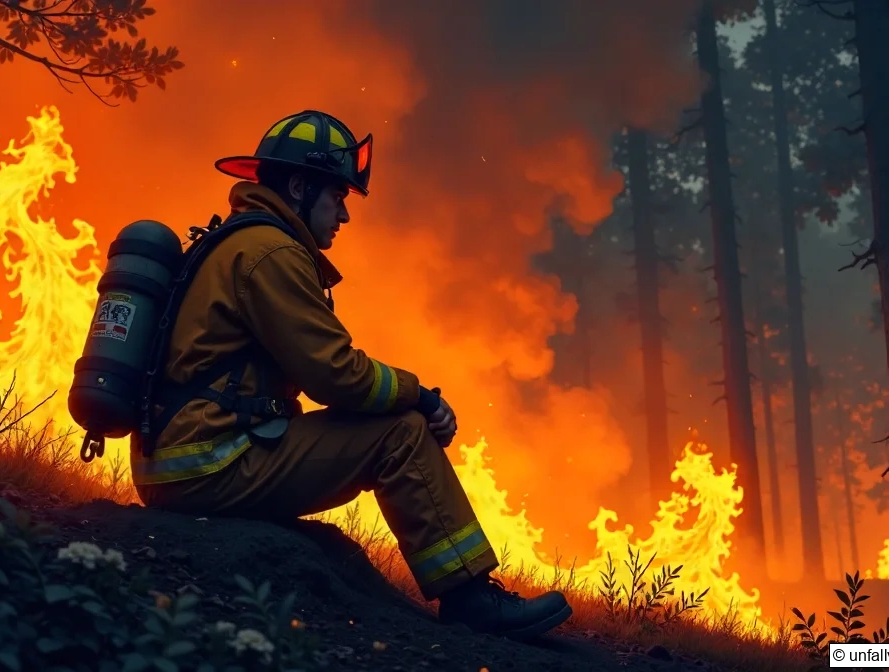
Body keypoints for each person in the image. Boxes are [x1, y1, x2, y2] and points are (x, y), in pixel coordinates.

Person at [130, 110, 572, 638]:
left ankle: (467, 592)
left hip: (189, 457)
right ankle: (469, 596)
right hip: (209, 462)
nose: (344, 214)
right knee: (399, 435)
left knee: (388, 421)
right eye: (337, 196)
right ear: (298, 185)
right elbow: (336, 375)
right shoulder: (270, 253)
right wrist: (421, 399)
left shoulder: (244, 242)